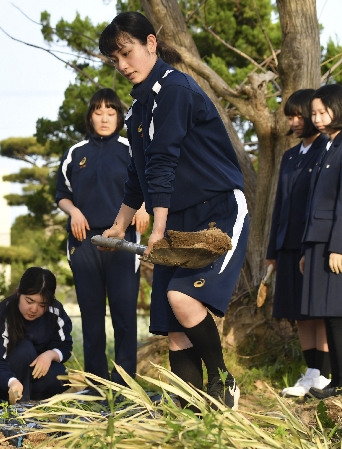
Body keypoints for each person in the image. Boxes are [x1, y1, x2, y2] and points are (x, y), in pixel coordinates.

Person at [99, 12, 249, 409]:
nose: (123, 66)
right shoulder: (138, 107)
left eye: (127, 53)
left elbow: (164, 161)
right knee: (174, 324)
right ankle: (191, 409)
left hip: (216, 210)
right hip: (176, 215)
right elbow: (139, 174)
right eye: (115, 61)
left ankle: (224, 384)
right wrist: (119, 226)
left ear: (151, 42)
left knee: (183, 299)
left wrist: (158, 229)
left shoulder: (176, 89)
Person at [56, 88, 149, 384]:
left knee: (124, 313)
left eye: (111, 112)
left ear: (119, 117)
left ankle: (124, 382)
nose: (105, 118)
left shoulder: (130, 148)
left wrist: (145, 207)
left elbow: (150, 183)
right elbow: (62, 194)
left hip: (123, 241)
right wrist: (74, 212)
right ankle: (96, 383)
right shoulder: (75, 153)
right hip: (84, 242)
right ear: (90, 116)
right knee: (91, 314)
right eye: (99, 112)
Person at [266, 89, 330, 397]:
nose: (294, 122)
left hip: (314, 243)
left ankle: (327, 374)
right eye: (289, 116)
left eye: (298, 116)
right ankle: (311, 372)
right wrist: (271, 251)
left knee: (318, 310)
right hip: (286, 243)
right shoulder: (290, 156)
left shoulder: (327, 150)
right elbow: (279, 204)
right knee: (297, 311)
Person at [299, 84, 342, 399]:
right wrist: (306, 247)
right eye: (313, 113)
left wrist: (338, 245)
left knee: (337, 312)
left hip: (333, 244)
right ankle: (337, 380)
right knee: (328, 312)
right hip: (317, 241)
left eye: (322, 111)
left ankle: (339, 382)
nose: (316, 118)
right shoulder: (329, 145)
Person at [0, 267, 73, 403]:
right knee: (24, 349)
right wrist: (11, 382)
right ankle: (18, 404)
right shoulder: (0, 317)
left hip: (34, 375)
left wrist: (50, 355)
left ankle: (31, 401)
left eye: (42, 305)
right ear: (18, 293)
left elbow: (65, 346)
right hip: (2, 377)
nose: (34, 309)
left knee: (59, 376)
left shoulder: (55, 312)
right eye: (29, 301)